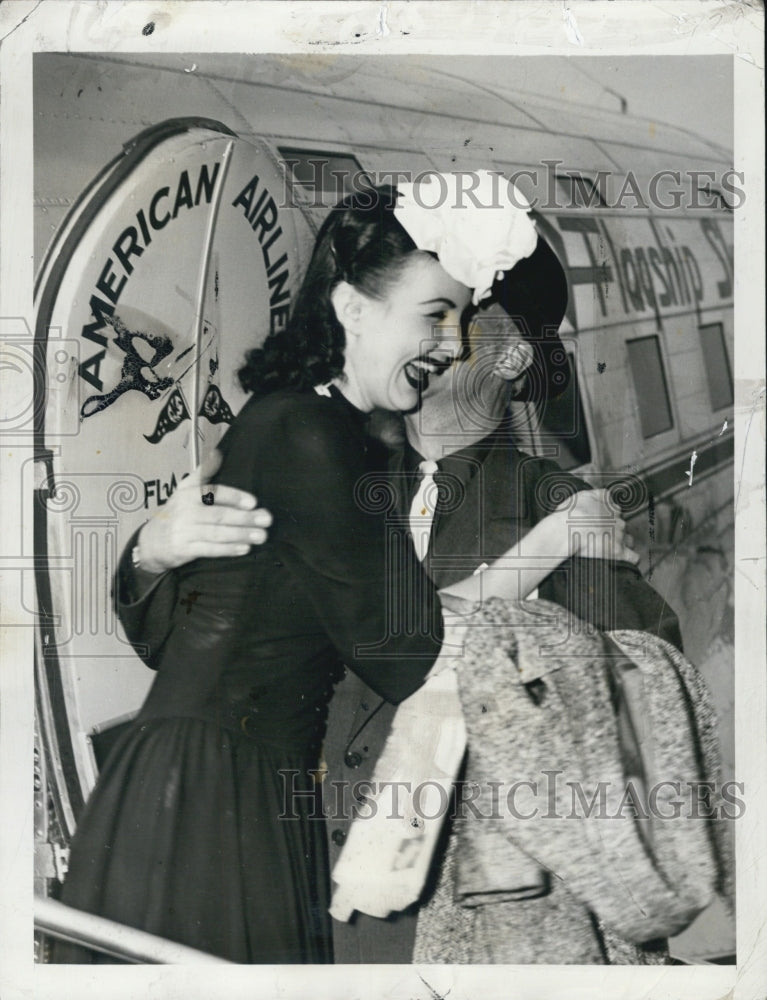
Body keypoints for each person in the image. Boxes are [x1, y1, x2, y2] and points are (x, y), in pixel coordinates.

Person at [55, 181, 634, 964]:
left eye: (463, 318)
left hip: (231, 787)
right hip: (212, 800)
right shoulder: (307, 436)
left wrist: (155, 553)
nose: (454, 343)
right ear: (352, 309)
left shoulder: (315, 425)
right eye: (434, 315)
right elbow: (410, 652)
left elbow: (211, 632)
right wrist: (560, 537)